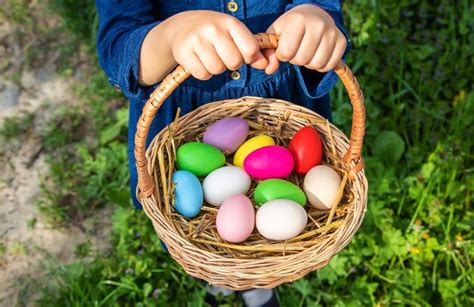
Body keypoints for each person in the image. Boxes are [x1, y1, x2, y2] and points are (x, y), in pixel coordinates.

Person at [96, 1, 350, 306]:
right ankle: (214, 276)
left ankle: (257, 282)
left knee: (270, 232)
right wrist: (171, 36)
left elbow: (322, 9)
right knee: (189, 222)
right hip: (179, 117)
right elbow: (118, 47)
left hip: (278, 115)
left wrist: (316, 18)